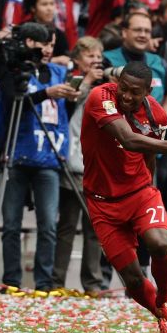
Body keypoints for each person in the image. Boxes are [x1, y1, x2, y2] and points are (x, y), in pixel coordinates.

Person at [81, 61, 167, 333]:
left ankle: (165, 301)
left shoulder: (156, 113)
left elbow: (148, 156)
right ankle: (162, 318)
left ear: (147, 92)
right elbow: (129, 140)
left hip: (140, 192)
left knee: (159, 243)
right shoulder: (99, 98)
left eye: (134, 92)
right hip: (102, 202)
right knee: (132, 278)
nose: (126, 96)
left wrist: (149, 192)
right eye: (123, 89)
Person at [0, 23, 77, 293]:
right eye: (42, 44)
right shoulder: (13, 70)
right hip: (16, 152)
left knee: (49, 223)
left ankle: (43, 283)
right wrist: (45, 94)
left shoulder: (57, 72)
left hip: (48, 157)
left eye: (51, 45)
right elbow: (15, 100)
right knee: (11, 223)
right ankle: (12, 281)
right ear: (29, 43)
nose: (47, 50)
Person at [51, 36, 105, 295]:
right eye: (89, 56)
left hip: (96, 167)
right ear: (77, 60)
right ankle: (57, 280)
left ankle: (92, 283)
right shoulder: (71, 81)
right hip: (71, 163)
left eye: (98, 56)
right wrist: (86, 82)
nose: (95, 61)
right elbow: (69, 103)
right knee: (67, 226)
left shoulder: (107, 85)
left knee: (95, 228)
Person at [103, 12, 167, 115]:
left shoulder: (158, 62)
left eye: (147, 31)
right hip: (115, 124)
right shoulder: (106, 59)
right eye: (137, 30)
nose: (143, 35)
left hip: (151, 128)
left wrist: (162, 116)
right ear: (124, 32)